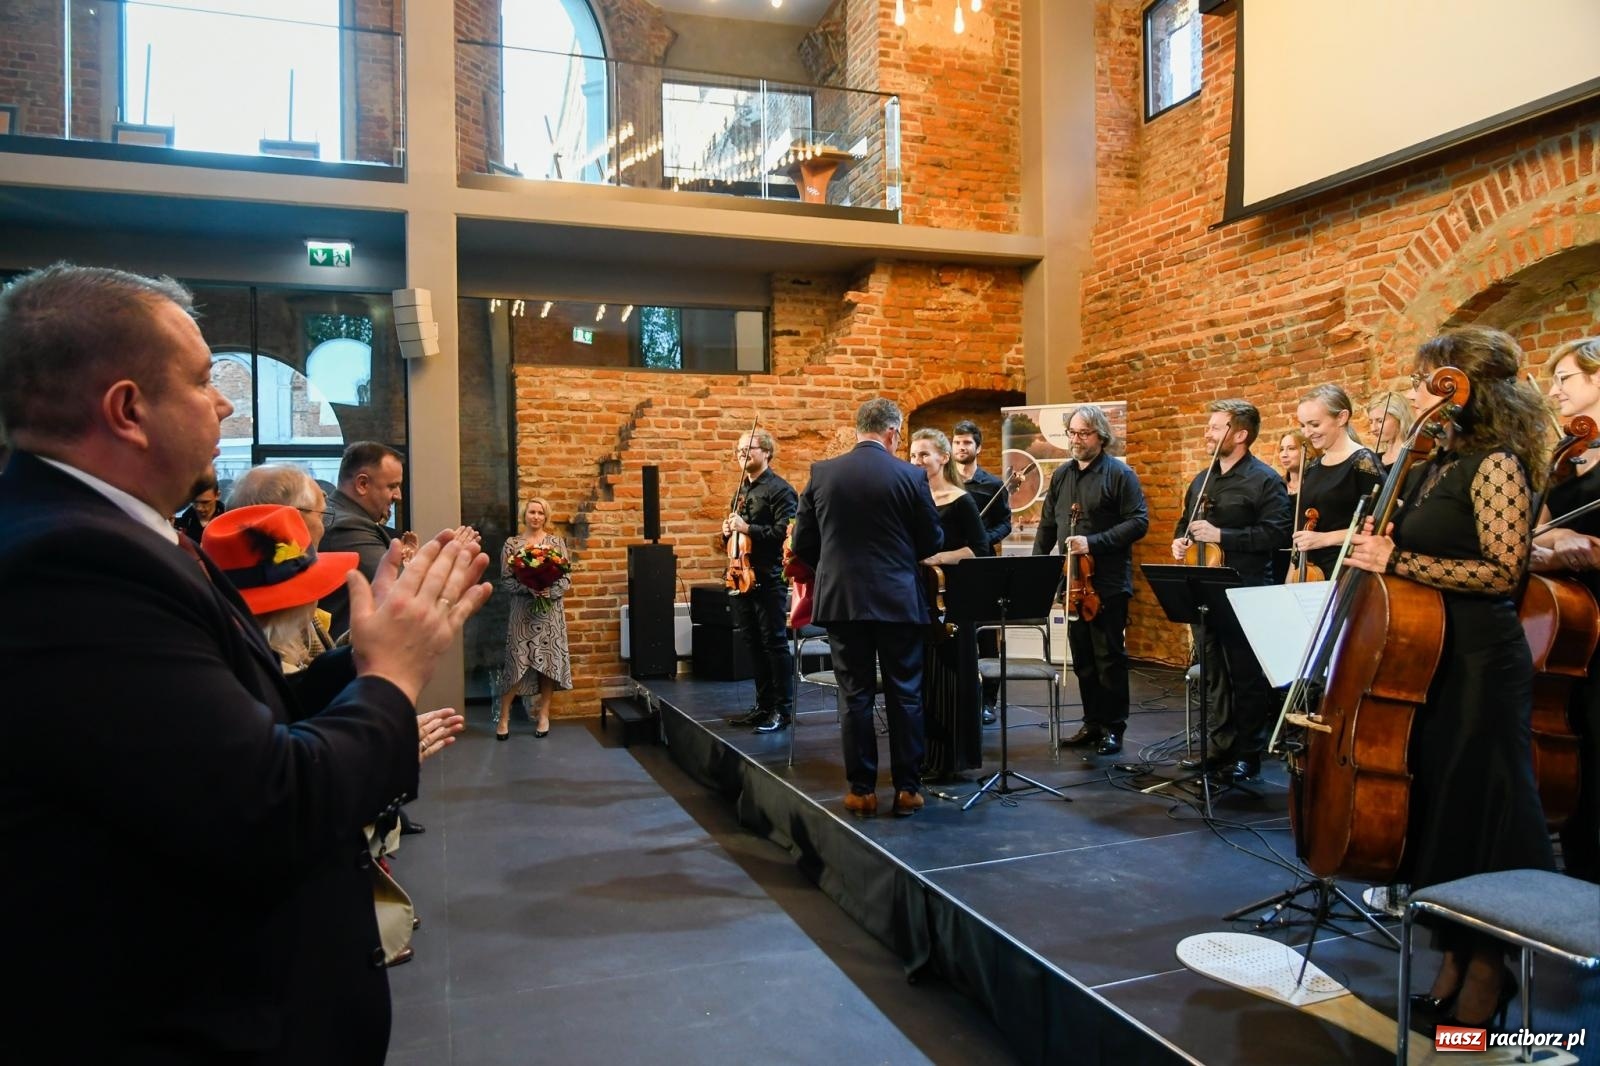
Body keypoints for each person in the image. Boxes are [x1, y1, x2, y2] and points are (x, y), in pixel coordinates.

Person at [0, 263, 492, 1063]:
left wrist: (362, 660)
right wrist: (391, 680)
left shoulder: (122, 533)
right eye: (202, 381)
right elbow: (268, 806)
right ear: (127, 410)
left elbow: (249, 712)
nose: (225, 403)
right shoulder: (68, 562)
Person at [1344, 325, 1555, 1031]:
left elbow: (1503, 572)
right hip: (1430, 657)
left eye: (1424, 379)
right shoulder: (1437, 461)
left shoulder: (1496, 463)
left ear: (1461, 387)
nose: (1414, 392)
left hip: (1481, 664)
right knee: (1445, 815)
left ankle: (1488, 981)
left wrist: (1395, 561)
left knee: (1484, 816)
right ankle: (1452, 966)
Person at [789, 398, 943, 817]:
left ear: (859, 428)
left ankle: (861, 791)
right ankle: (908, 789)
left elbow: (803, 543)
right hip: (898, 599)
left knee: (854, 694)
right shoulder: (911, 475)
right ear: (892, 432)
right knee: (905, 692)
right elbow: (932, 540)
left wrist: (836, 568)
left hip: (843, 600)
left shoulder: (822, 473)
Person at [1170, 399, 1291, 780]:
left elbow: (1276, 534)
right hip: (1203, 589)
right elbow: (1185, 523)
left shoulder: (1265, 480)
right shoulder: (1201, 480)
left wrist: (1223, 535)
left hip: (1246, 591)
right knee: (1213, 675)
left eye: (1215, 427)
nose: (1207, 433)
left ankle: (1248, 754)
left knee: (1245, 676)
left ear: (1240, 435)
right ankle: (1218, 747)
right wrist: (1180, 541)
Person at [1033, 405, 1149, 756]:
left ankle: (1114, 727)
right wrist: (1037, 571)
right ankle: (1092, 722)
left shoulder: (1120, 474)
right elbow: (1048, 525)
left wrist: (1092, 542)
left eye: (1083, 433)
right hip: (1072, 582)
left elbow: (1138, 522)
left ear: (1101, 435)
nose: (1076, 439)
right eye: (1072, 432)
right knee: (1082, 658)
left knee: (1108, 658)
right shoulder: (1062, 475)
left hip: (1107, 583)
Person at [1532, 336, 1600, 884]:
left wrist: (1578, 546)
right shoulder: (1566, 456)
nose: (1554, 391)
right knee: (1578, 757)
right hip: (1567, 626)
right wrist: (1557, 541)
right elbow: (1539, 529)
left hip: (1596, 613)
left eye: (1565, 379)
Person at [910, 427, 989, 781]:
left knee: (950, 675)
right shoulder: (911, 499)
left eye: (924, 454)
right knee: (921, 678)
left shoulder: (961, 500)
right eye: (913, 455)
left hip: (951, 597)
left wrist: (939, 558)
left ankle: (949, 760)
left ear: (943, 457)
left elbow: (979, 548)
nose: (917, 461)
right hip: (916, 596)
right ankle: (922, 754)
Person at [721, 428, 799, 733]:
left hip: (768, 576)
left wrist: (747, 528)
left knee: (774, 643)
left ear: (766, 452)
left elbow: (785, 533)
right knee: (753, 643)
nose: (742, 453)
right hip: (742, 576)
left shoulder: (781, 490)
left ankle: (782, 710)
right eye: (739, 449)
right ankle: (763, 706)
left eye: (749, 448)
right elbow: (734, 538)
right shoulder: (741, 490)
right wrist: (727, 531)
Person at [497, 497, 574, 739]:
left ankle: (543, 715)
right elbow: (506, 580)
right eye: (532, 512)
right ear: (524, 515)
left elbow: (566, 578)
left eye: (540, 513)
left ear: (546, 516)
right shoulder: (512, 544)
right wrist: (528, 588)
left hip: (549, 613)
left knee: (547, 665)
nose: (536, 517)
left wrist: (549, 591)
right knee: (516, 663)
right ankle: (504, 716)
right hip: (523, 613)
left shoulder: (556, 543)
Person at [1287, 385, 1384, 579]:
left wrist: (1324, 539)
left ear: (1341, 417)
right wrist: (1291, 576)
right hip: (1309, 572)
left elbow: (1380, 523)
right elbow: (1301, 532)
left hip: (1346, 571)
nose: (1307, 433)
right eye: (1303, 425)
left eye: (1314, 425)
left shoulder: (1363, 462)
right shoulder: (1313, 467)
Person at [952, 418, 1012, 723]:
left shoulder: (993, 485)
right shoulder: (945, 482)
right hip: (953, 568)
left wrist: (983, 539)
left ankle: (989, 701)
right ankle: (958, 696)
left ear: (978, 447)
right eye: (957, 442)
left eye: (967, 443)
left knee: (987, 637)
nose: (961, 447)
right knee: (955, 634)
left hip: (984, 567)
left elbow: (1005, 523)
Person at [320, 440, 407, 637]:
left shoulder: (340, 516)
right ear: (362, 484)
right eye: (392, 486)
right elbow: (400, 588)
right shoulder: (347, 528)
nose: (398, 496)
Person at [1367, 390, 1414, 473]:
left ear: (1399, 418)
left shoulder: (1413, 459)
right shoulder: (1374, 461)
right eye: (1371, 422)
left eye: (1380, 421)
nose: (1373, 429)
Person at [175, 469, 221, 539]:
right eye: (194, 502)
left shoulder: (227, 521)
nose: (199, 508)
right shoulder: (181, 523)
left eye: (205, 502)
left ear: (217, 495)